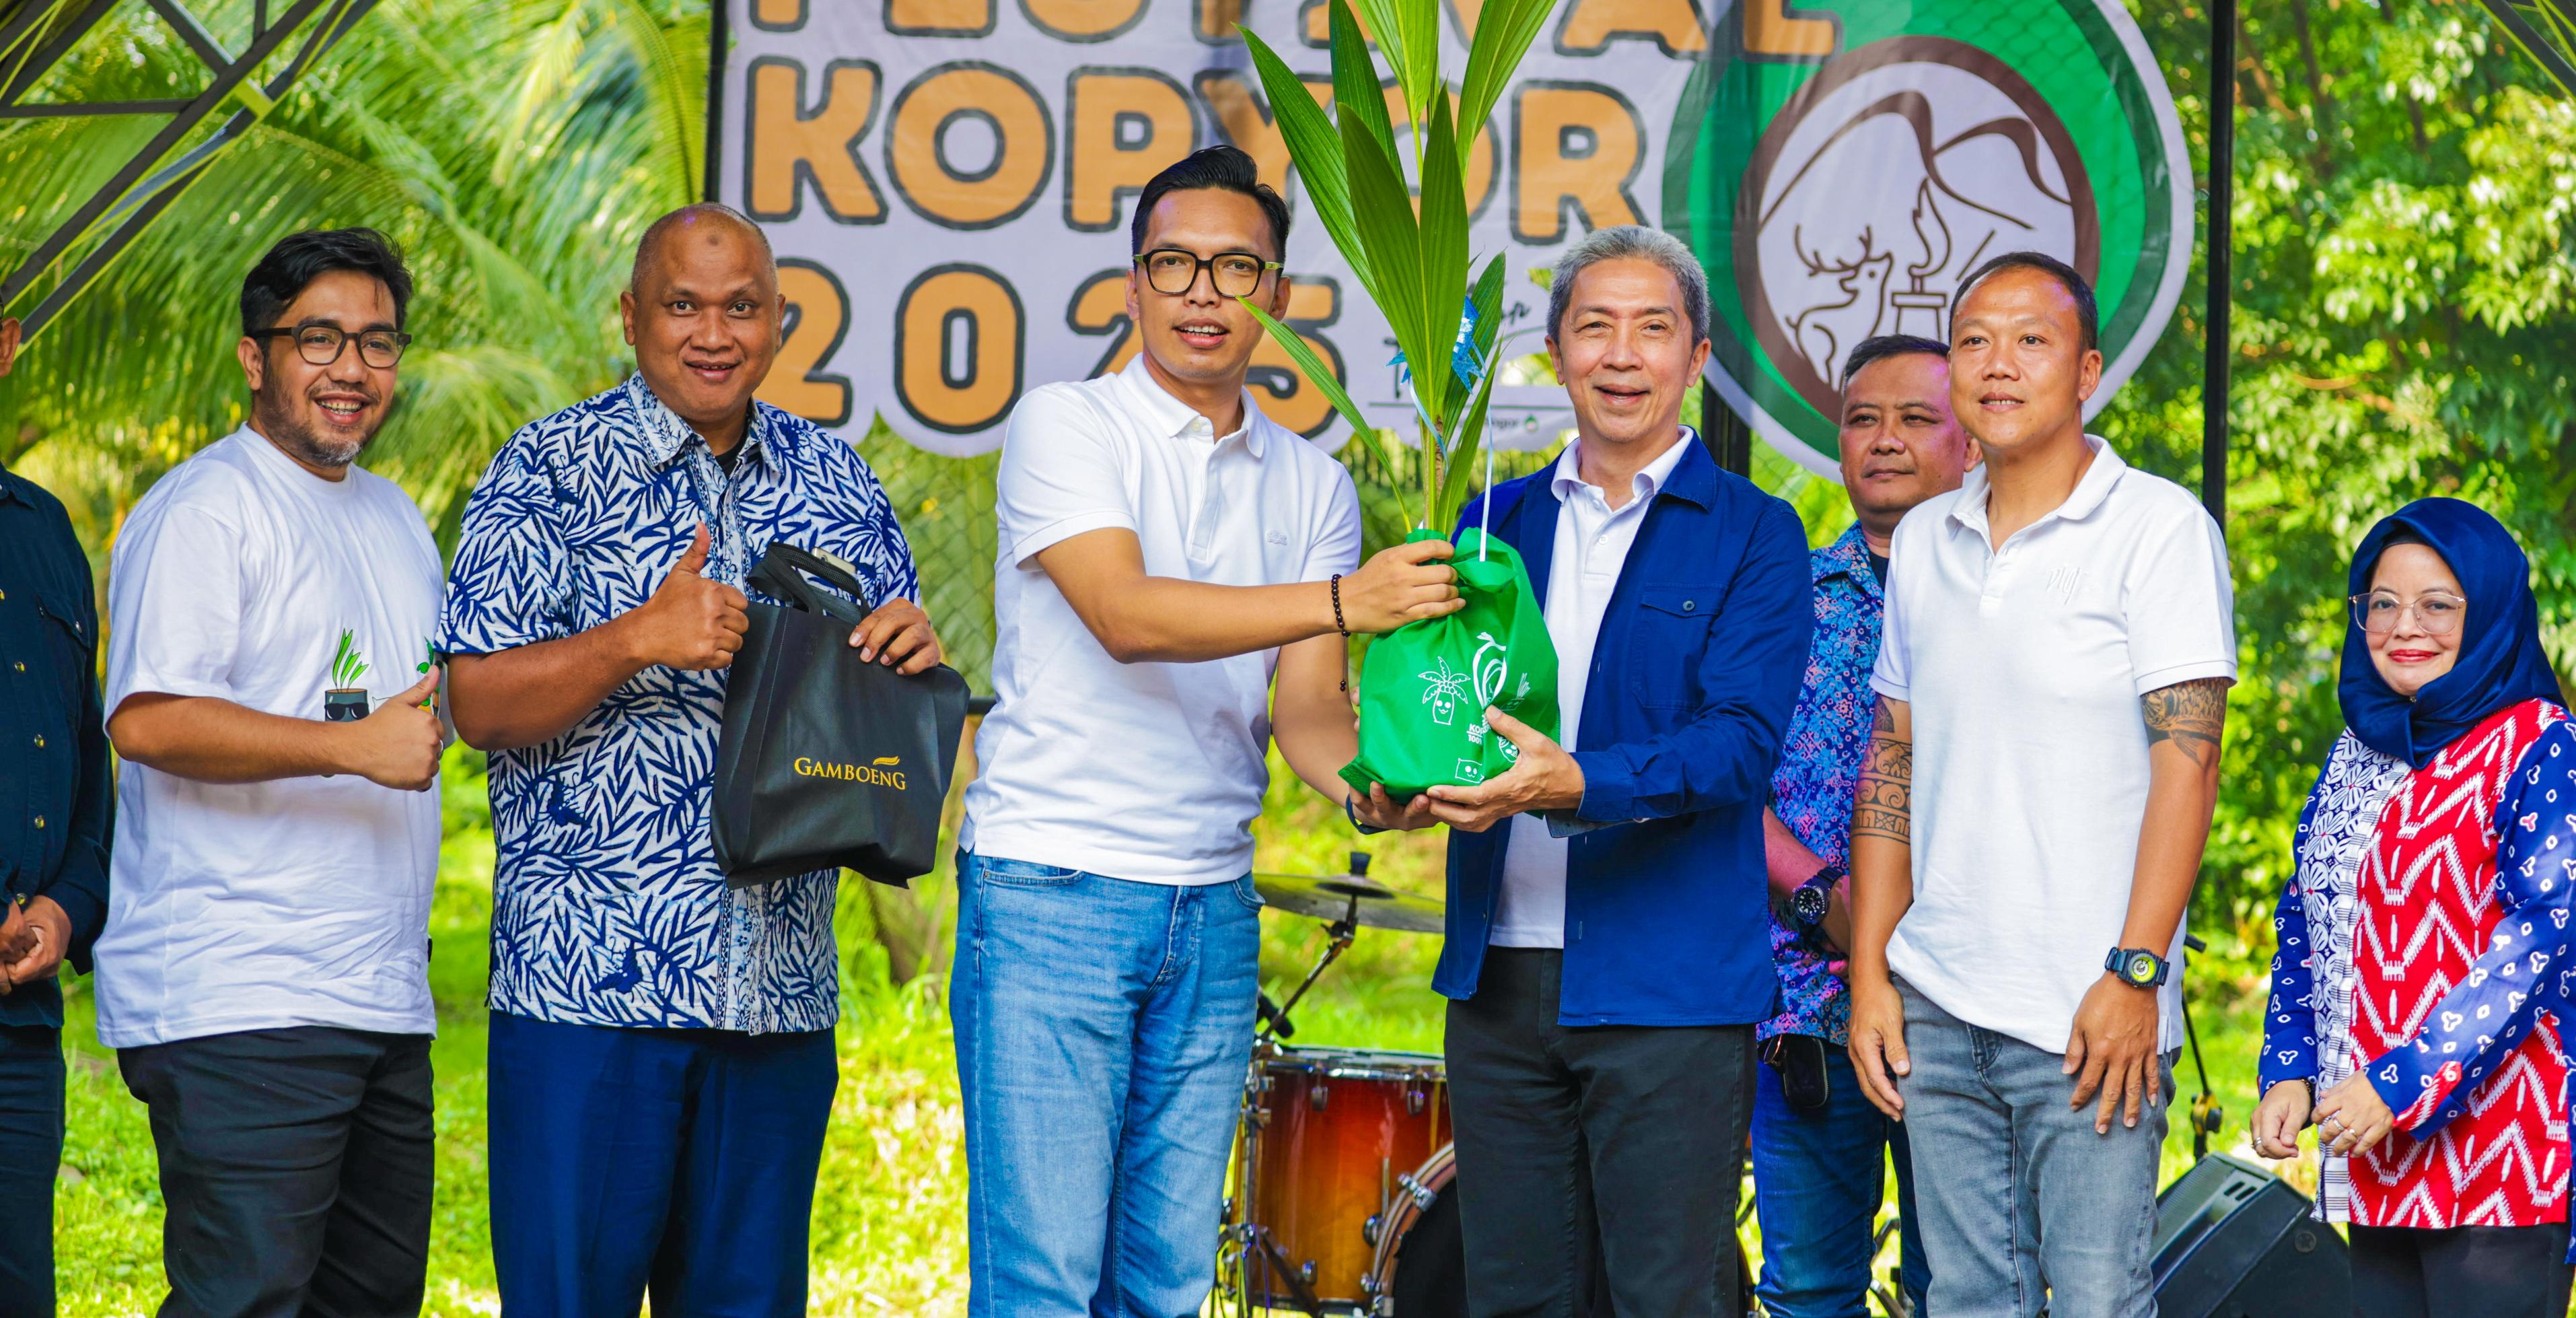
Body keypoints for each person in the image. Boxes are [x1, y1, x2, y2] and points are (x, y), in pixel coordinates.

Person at [952, 144, 1460, 1318]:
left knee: (1169, 1284)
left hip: (1213, 908)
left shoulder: (1313, 483)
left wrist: (1372, 786)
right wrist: (1345, 598)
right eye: (1174, 263)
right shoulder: (1067, 423)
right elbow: (1126, 615)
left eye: (1236, 268)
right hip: (1051, 889)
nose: (1202, 291)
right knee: (1041, 1282)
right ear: (1132, 283)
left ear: (1278, 296)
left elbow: (1307, 710)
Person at [439, 203, 943, 1318]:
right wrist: (634, 638)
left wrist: (907, 656)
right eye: (683, 304)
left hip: (776, 1001)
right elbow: (474, 701)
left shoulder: (839, 481)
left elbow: (881, 718)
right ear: (632, 316)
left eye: (741, 306)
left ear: (780, 320)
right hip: (589, 1000)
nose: (713, 333)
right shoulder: (547, 470)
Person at [1367, 223, 1815, 1318]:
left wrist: (1575, 784)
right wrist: (1399, 784)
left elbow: (1740, 742)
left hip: (1670, 990)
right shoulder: (1491, 520)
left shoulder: (1756, 533)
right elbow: (1442, 705)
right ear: (1558, 352)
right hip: (1498, 984)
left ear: (1696, 356)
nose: (1622, 354)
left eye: (1652, 328)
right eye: (1594, 326)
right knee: (1512, 1295)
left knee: (1665, 1298)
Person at [1847, 250, 2235, 1318]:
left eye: (2032, 340)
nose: (1999, 363)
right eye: (1974, 341)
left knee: (2099, 1300)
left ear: (2088, 371)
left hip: (2090, 1010)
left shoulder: (2158, 529)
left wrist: (2137, 972)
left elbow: (2190, 763)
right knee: (1967, 1300)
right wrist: (1873, 976)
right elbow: (1892, 757)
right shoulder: (1923, 540)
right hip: (1936, 1004)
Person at [96, 228, 450, 1317]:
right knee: (246, 1303)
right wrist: (351, 747)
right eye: (320, 339)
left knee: (370, 1303)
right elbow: (148, 717)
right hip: (242, 994)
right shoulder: (206, 508)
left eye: (378, 342)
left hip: (381, 995)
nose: (353, 368)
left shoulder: (395, 516)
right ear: (257, 358)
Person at [2254, 498, 2576, 1318]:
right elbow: (2306, 919)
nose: (2403, 627)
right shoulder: (2359, 748)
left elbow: (2536, 945)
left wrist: (2400, 1082)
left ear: (2486, 610)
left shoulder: (2541, 744)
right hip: (2374, 1144)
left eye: (2436, 605)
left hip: (2505, 1147)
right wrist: (2288, 1069)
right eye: (2381, 603)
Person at [1756, 334, 1968, 1318]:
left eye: (1916, 418)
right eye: (1862, 419)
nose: (1885, 439)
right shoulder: (1780, 597)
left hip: (1970, 1008)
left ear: (1972, 441)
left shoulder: (2008, 599)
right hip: (1807, 1005)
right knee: (1807, 1292)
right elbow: (1718, 773)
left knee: (1963, 1291)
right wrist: (1818, 896)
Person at [0, 313, 112, 1318]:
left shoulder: (44, 531)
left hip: (19, 1028)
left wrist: (67, 906)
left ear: (5, 344)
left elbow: (85, 756)